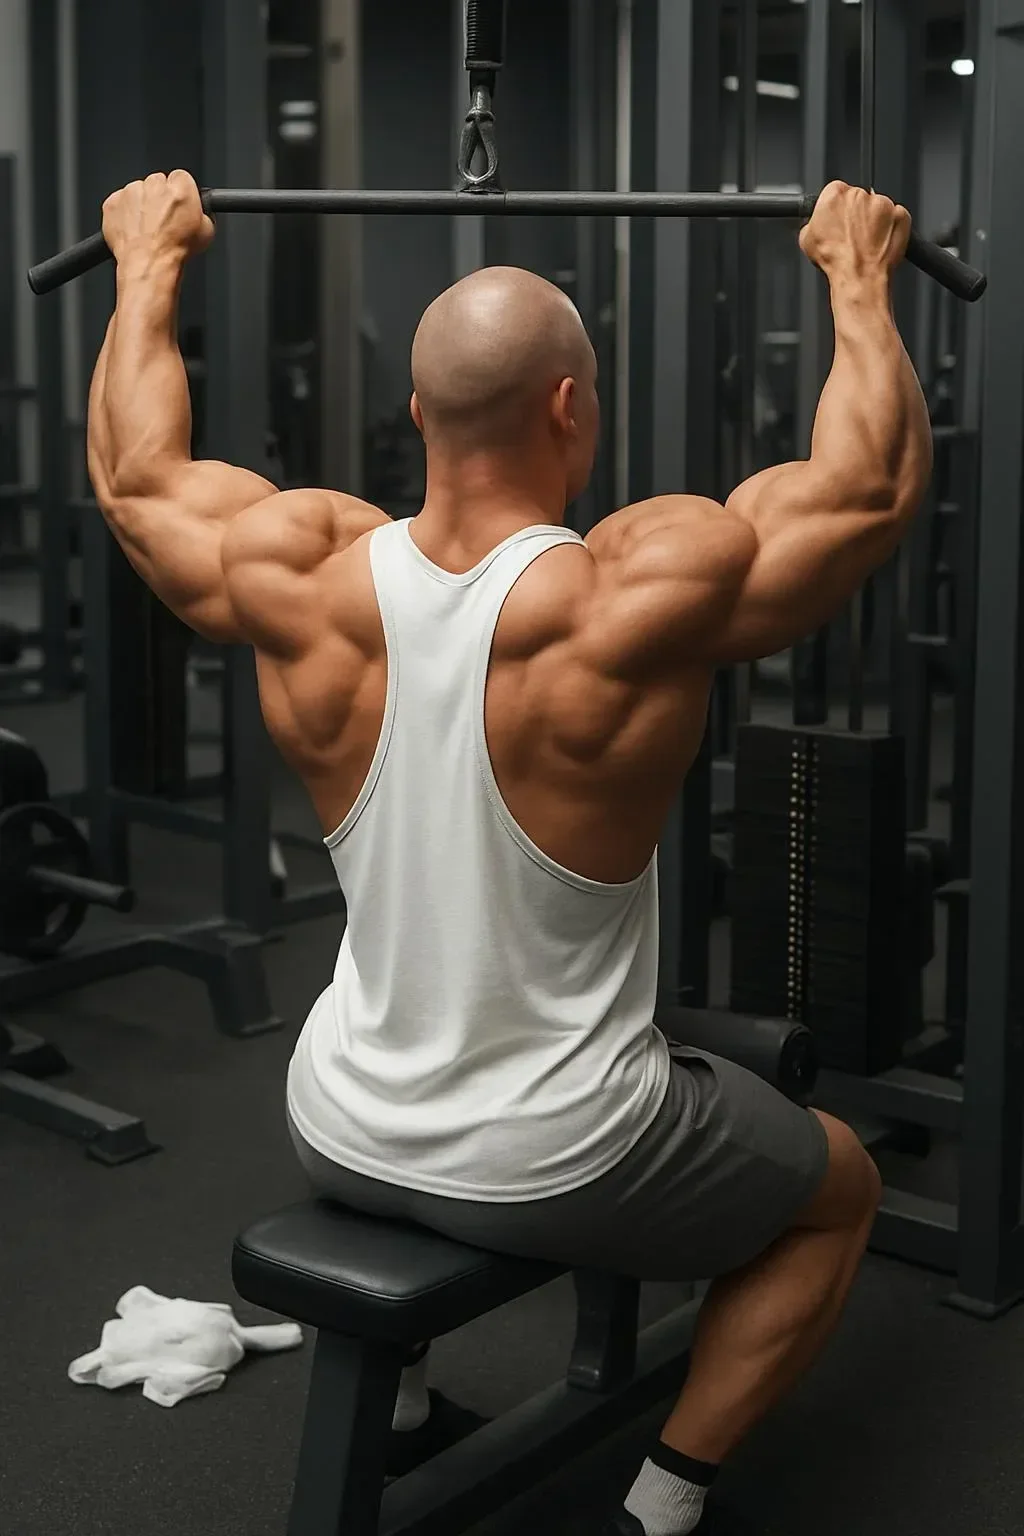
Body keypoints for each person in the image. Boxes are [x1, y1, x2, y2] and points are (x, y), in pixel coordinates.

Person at [89, 171, 929, 1536]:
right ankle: (659, 1505)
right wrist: (854, 270)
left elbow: (137, 479)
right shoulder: (628, 595)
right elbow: (871, 485)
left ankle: (408, 1405)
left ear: (417, 416)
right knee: (839, 1188)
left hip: (340, 1118)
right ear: (569, 406)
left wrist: (146, 265)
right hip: (569, 1152)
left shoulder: (301, 569)